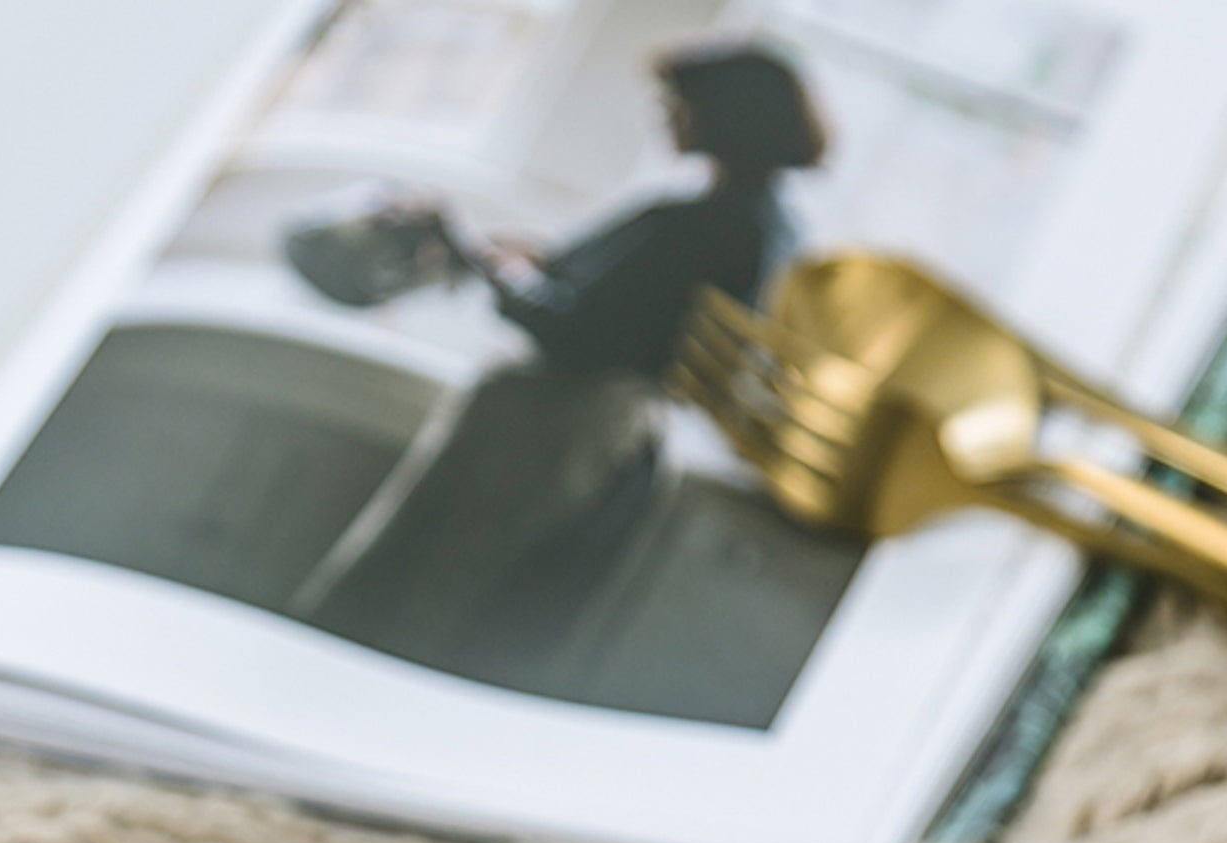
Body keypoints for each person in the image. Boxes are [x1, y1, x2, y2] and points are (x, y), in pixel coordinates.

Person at [294, 43, 829, 682]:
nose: (666, 116)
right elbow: (612, 295)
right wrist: (516, 259)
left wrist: (475, 255)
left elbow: (579, 331)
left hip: (553, 433)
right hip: (606, 436)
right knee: (477, 602)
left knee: (425, 590)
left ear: (725, 115)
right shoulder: (770, 230)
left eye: (678, 104)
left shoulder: (705, 224)